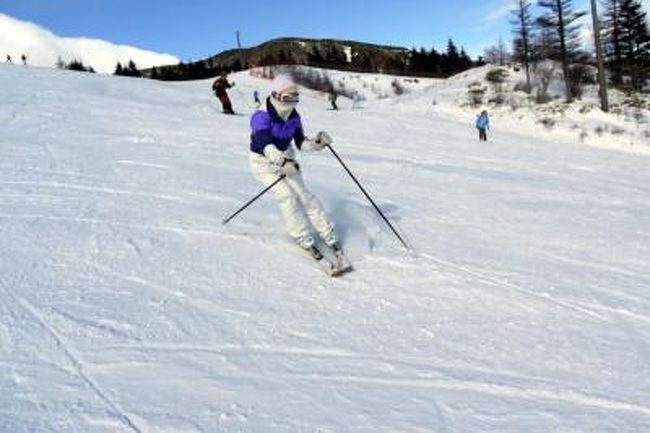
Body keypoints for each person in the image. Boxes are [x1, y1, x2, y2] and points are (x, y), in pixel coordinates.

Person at [249, 76, 341, 259]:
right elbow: (264, 142)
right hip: (263, 163)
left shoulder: (294, 116)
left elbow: (300, 143)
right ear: (276, 95)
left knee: (306, 197)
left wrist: (316, 143)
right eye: (287, 98)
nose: (291, 103)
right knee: (287, 196)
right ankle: (304, 239)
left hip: (287, 159)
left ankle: (330, 237)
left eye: (295, 98)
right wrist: (282, 162)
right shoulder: (261, 115)